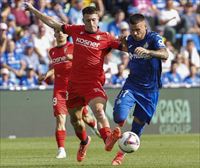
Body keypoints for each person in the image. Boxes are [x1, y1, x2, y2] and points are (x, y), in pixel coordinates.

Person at [24, 3, 124, 162]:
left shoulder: (107, 37)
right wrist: (34, 10)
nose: (91, 23)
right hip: (74, 85)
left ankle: (107, 139)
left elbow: (126, 47)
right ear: (83, 21)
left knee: (98, 110)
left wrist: (139, 44)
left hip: (93, 83)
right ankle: (84, 142)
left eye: (93, 20)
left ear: (98, 19)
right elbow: (52, 22)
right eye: (87, 20)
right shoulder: (76, 31)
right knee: (76, 121)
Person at [111, 14, 168, 165]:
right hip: (132, 84)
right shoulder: (130, 39)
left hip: (150, 90)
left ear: (145, 27)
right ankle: (116, 132)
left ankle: (120, 155)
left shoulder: (153, 38)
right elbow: (127, 48)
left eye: (138, 30)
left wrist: (149, 52)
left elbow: (165, 54)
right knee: (119, 115)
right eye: (132, 30)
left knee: (138, 124)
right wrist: (122, 42)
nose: (135, 33)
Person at [38, 29, 100, 159]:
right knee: (60, 118)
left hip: (74, 89)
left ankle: (93, 128)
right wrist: (46, 75)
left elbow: (84, 61)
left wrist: (72, 58)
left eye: (62, 31)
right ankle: (61, 150)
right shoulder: (52, 51)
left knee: (84, 118)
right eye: (57, 31)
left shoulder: (74, 47)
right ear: (54, 34)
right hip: (59, 90)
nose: (60, 33)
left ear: (67, 34)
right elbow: (55, 67)